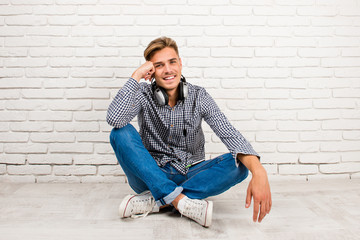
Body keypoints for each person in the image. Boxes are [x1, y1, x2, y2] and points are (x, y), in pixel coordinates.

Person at [107, 37, 271, 227]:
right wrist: (136, 76)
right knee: (120, 133)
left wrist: (259, 171)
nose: (168, 70)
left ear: (180, 63)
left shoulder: (199, 96)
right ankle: (181, 202)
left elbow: (229, 133)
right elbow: (115, 119)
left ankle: (157, 201)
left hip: (189, 172)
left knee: (240, 164)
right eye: (159, 65)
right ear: (151, 71)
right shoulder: (143, 93)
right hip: (149, 175)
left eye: (172, 62)